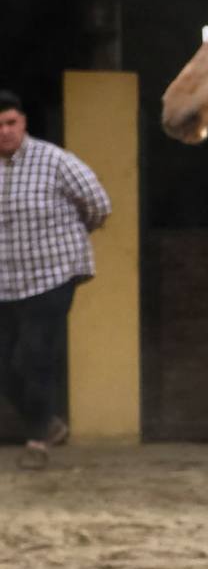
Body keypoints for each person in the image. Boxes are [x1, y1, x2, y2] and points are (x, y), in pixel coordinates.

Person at [0, 89, 111, 468]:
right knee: (5, 365)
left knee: (35, 354)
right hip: (4, 279)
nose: (5, 131)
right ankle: (48, 423)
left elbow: (98, 205)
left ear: (23, 123)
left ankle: (36, 442)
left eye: (11, 123)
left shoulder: (56, 161)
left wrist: (70, 240)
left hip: (52, 274)